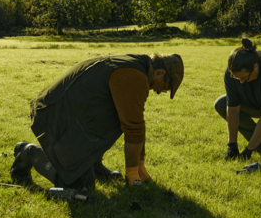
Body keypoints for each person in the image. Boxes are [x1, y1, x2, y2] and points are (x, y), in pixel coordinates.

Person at [10, 53, 184, 190]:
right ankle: (29, 151)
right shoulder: (134, 76)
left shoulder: (139, 66)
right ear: (160, 73)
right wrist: (132, 173)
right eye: (166, 87)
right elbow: (134, 128)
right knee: (78, 185)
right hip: (56, 114)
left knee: (117, 118)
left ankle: (93, 164)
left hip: (75, 115)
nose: (161, 92)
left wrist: (141, 165)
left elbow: (135, 121)